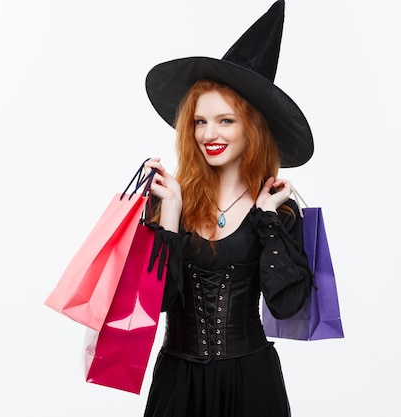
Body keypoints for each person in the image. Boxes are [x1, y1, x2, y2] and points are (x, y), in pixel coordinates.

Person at [142, 1, 315, 416]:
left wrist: (269, 219)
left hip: (251, 384)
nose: (209, 134)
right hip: (178, 383)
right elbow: (156, 302)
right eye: (200, 121)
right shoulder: (169, 197)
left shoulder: (279, 211)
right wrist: (171, 214)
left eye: (225, 121)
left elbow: (287, 306)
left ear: (251, 128)